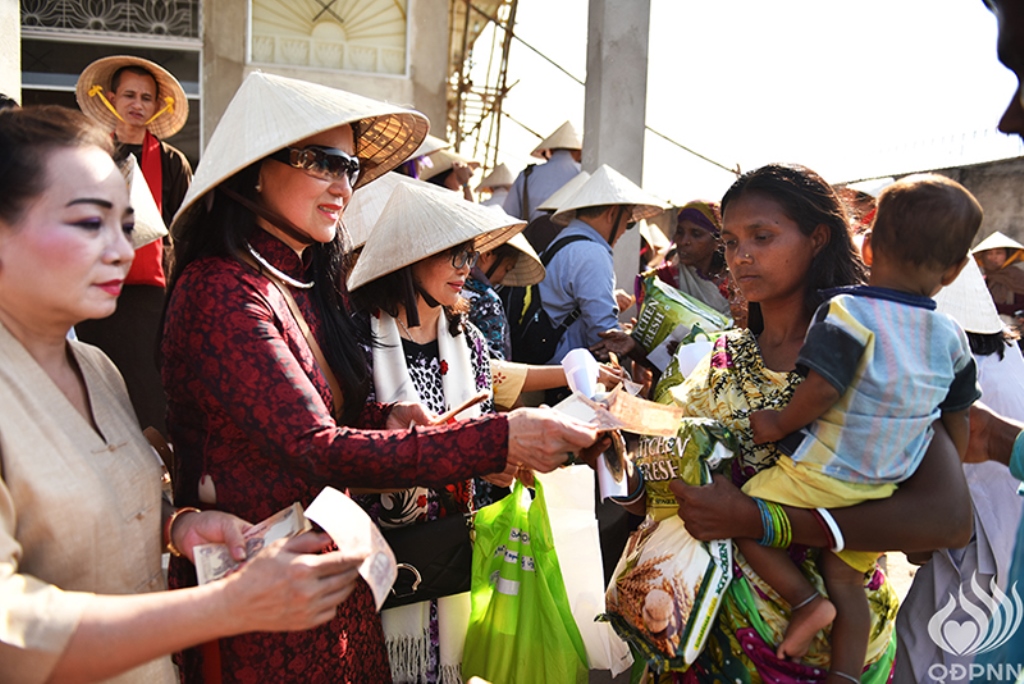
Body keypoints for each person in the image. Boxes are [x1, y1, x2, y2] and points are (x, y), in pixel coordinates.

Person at [161, 71, 597, 683]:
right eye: (323, 162)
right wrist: (497, 440)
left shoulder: (295, 281)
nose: (344, 185)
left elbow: (320, 414)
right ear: (256, 169)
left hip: (325, 574)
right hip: (263, 597)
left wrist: (383, 417)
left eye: (351, 168)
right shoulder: (222, 290)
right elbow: (313, 448)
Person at [0, 104, 371, 684]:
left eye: (126, 226)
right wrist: (227, 605)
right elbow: (11, 632)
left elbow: (103, 511)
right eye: (88, 223)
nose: (123, 252)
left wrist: (176, 526)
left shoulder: (97, 369)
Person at [601, 163, 974, 682]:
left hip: (819, 649)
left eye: (763, 236)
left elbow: (945, 522)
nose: (741, 256)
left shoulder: (876, 353)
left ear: (818, 239)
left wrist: (759, 520)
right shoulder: (715, 355)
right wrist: (614, 456)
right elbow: (661, 495)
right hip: (693, 631)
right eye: (730, 241)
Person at [739, 174, 982, 678]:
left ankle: (806, 603)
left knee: (748, 522)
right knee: (849, 586)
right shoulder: (952, 337)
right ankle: (846, 674)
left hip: (822, 473)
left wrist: (778, 421)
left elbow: (824, 387)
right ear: (956, 270)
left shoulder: (848, 312)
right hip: (883, 492)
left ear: (867, 247)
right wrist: (927, 472)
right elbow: (955, 422)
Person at [347, 183, 525, 682]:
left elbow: (483, 420)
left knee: (450, 662)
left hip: (453, 545)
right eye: (453, 253)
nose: (466, 266)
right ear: (409, 257)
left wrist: (497, 459)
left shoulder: (467, 338)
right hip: (377, 552)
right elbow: (340, 444)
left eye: (470, 253)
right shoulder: (357, 337)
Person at [896, 257, 1024, 680]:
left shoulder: (955, 372)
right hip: (994, 535)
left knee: (938, 650)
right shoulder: (1009, 356)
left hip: (976, 543)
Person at [74, 55, 194, 434]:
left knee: (148, 381)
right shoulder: (90, 154)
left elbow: (189, 225)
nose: (137, 104)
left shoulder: (173, 162)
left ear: (157, 106)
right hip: (97, 284)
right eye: (129, 94)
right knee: (95, 373)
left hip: (152, 294)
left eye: (146, 97)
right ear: (111, 97)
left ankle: (154, 459)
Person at [539, 163, 665, 365]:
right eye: (628, 221)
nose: (625, 229)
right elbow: (602, 334)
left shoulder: (565, 241)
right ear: (612, 214)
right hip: (565, 372)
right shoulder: (593, 253)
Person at [503, 120, 584, 223]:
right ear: (578, 151)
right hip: (571, 236)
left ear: (550, 150)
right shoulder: (582, 173)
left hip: (532, 236)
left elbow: (509, 215)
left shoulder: (527, 175)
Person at [972, 230, 1024, 318]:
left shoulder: (1019, 277)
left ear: (1007, 255)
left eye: (999, 253)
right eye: (989, 254)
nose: (994, 257)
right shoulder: (981, 281)